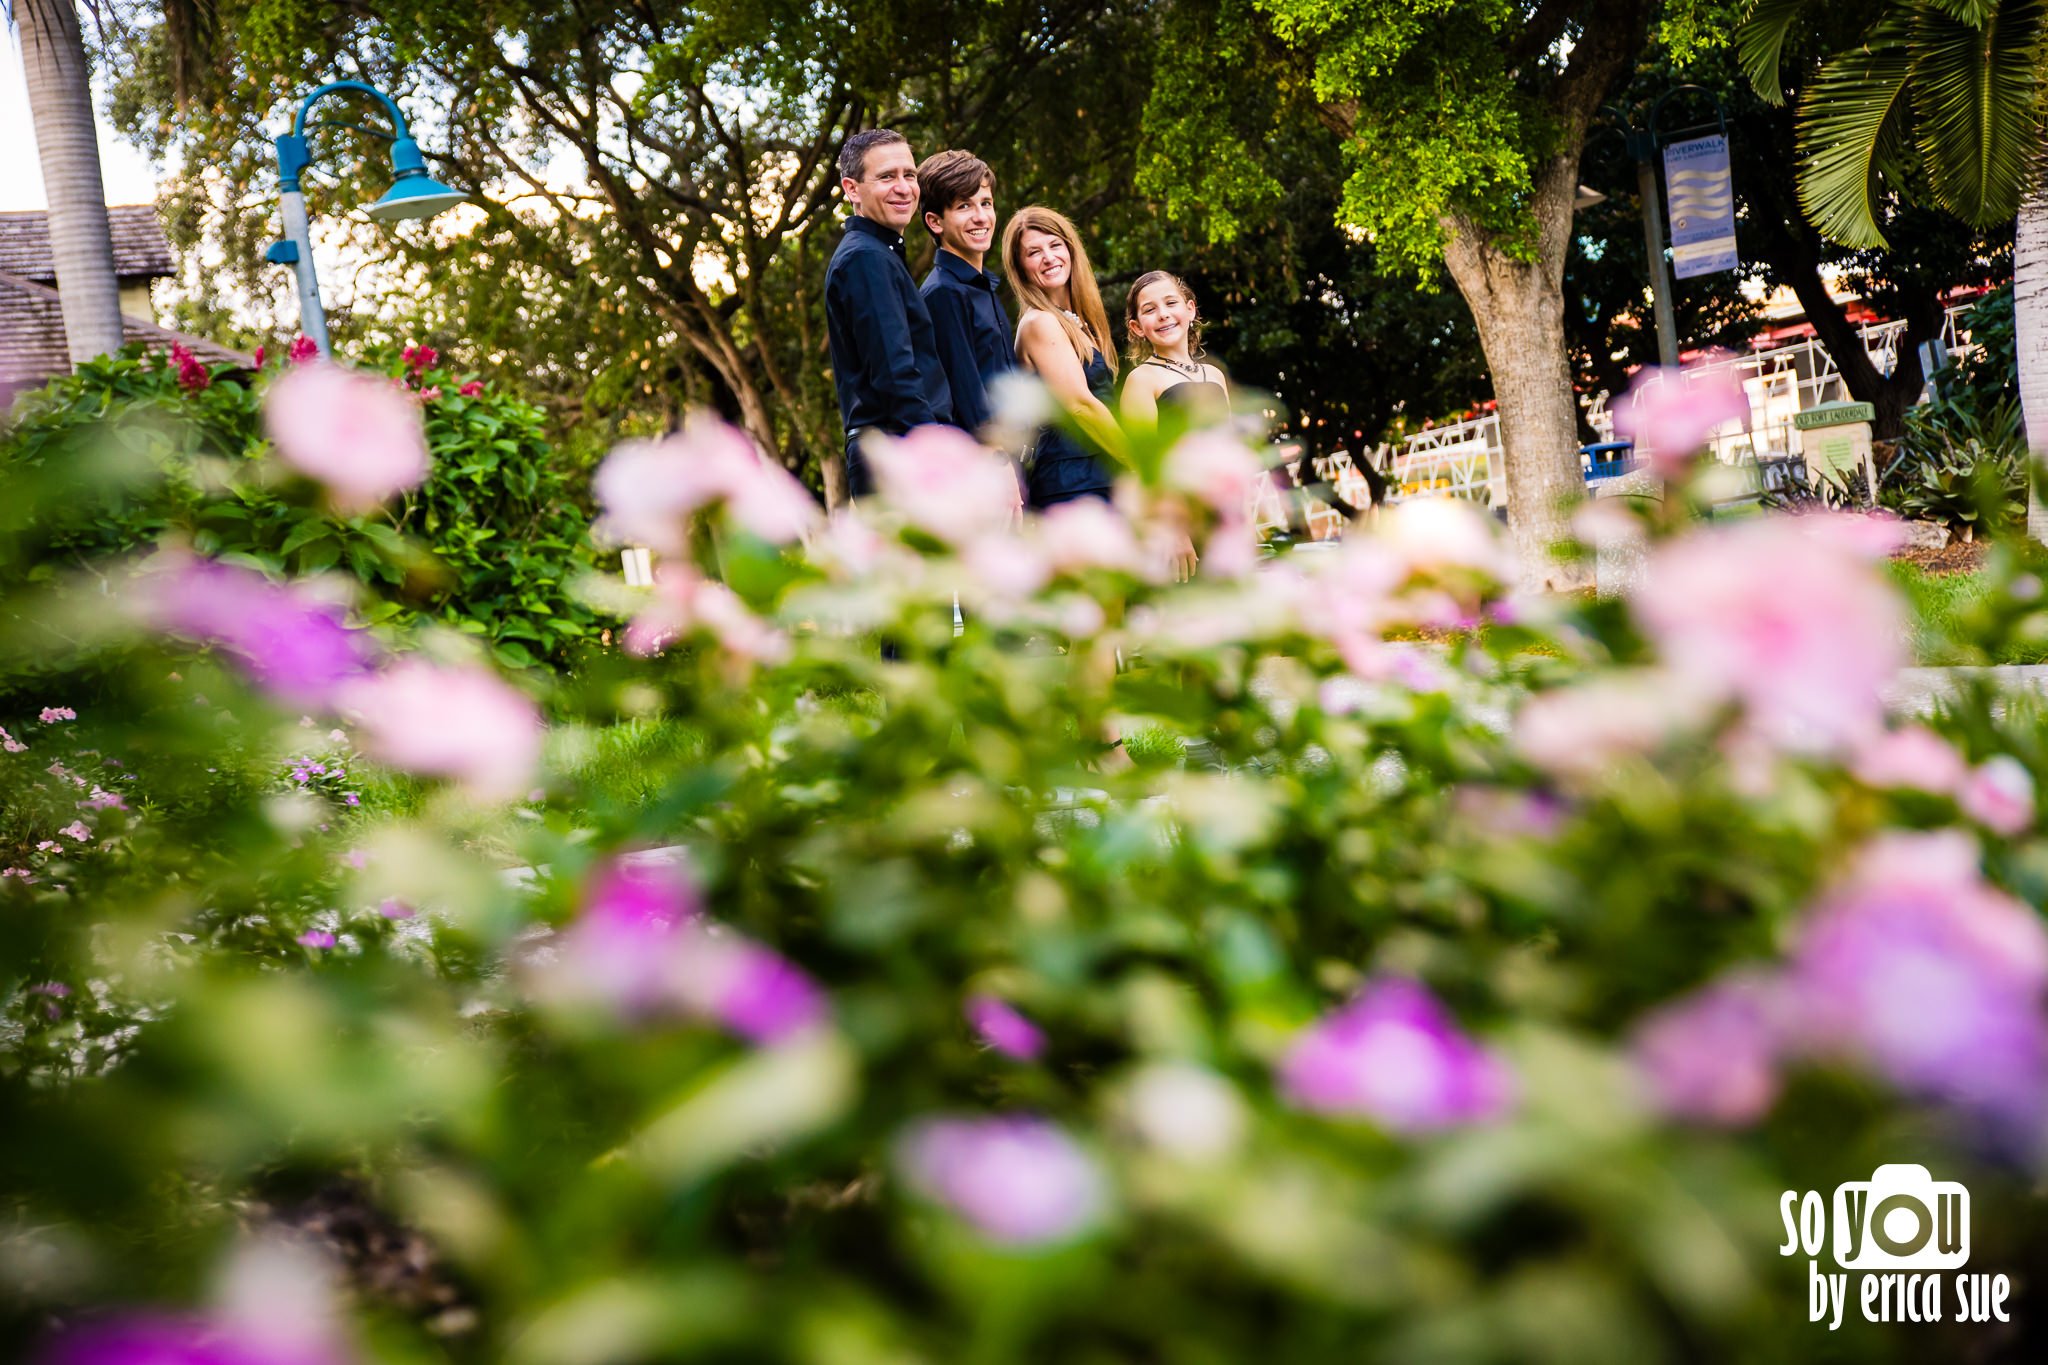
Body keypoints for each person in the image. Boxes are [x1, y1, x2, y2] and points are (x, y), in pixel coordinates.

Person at [824, 129, 953, 498]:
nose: (904, 187)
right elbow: (895, 375)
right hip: (895, 456)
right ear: (852, 189)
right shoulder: (866, 258)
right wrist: (938, 456)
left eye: (909, 175)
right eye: (886, 177)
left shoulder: (880, 253)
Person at [1002, 206, 1122, 510]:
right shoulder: (1039, 323)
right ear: (1020, 267)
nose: (1049, 257)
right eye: (1034, 252)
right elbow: (1080, 406)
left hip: (1101, 473)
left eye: (1055, 245)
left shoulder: (1079, 321)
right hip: (1072, 483)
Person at [916, 150, 1013, 440]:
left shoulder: (981, 287)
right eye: (964, 206)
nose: (981, 217)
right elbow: (968, 398)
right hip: (987, 461)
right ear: (935, 222)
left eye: (986, 203)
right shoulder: (943, 293)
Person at [1119, 270, 1230, 428]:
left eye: (1171, 303)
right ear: (1137, 327)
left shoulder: (1215, 374)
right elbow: (1143, 450)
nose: (1163, 314)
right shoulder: (1141, 379)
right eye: (1150, 310)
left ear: (1190, 309)